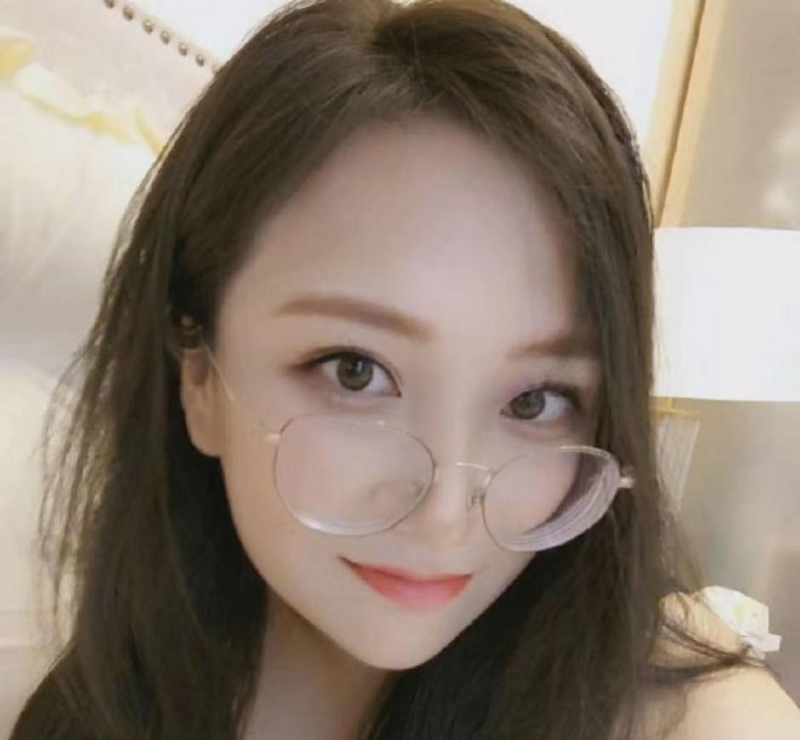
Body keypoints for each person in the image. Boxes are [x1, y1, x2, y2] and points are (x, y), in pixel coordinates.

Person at [10, 0, 800, 738]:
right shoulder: (90, 708)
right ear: (198, 376)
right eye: (356, 372)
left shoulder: (683, 714)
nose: (447, 515)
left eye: (536, 401)